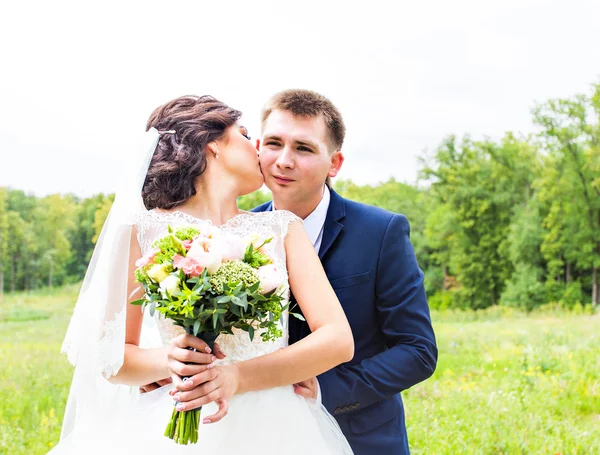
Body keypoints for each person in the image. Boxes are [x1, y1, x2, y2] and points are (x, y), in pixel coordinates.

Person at [51, 95, 355, 454]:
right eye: (244, 135)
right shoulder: (142, 230)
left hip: (276, 426)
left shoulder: (282, 229)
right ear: (214, 147)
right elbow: (111, 359)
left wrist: (237, 378)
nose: (258, 149)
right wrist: (168, 358)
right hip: (172, 421)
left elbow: (338, 339)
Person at [252, 89, 438, 455]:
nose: (284, 161)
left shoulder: (381, 233)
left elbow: (417, 350)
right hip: (259, 432)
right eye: (274, 143)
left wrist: (326, 390)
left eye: (303, 148)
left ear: (334, 163)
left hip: (359, 438)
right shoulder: (235, 233)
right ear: (258, 146)